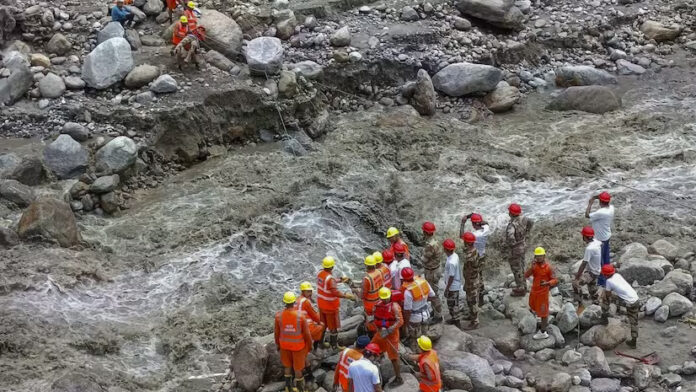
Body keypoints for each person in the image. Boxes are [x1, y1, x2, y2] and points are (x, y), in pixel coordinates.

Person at [275, 291, 313, 392]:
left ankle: (288, 388)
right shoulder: (300, 316)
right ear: (294, 302)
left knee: (287, 366)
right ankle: (300, 389)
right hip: (298, 347)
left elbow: (276, 333)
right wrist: (310, 345)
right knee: (298, 369)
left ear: (284, 302)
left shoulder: (278, 316)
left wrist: (278, 344)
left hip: (284, 346)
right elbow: (307, 334)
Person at [318, 256, 356, 350]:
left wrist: (340, 280)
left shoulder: (321, 275)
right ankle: (334, 346)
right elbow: (335, 292)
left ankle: (320, 343)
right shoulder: (330, 279)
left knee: (323, 325)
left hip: (321, 305)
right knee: (333, 328)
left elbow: (330, 284)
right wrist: (347, 296)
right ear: (332, 267)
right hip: (330, 307)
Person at [369, 288, 404, 387]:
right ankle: (375, 367)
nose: (385, 300)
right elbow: (377, 315)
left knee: (393, 357)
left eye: (386, 298)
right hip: (381, 331)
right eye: (383, 298)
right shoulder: (378, 304)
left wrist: (389, 330)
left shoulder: (395, 307)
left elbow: (400, 321)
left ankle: (398, 378)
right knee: (372, 348)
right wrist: (372, 318)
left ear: (390, 296)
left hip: (392, 334)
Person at [401, 267, 442, 348]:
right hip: (426, 314)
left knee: (415, 339)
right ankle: (427, 350)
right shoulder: (423, 282)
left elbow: (407, 311)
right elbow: (433, 296)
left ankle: (418, 355)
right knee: (425, 336)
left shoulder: (408, 292)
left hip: (415, 318)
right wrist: (424, 299)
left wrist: (406, 323)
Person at [600, 264, 639, 348]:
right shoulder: (617, 275)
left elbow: (608, 295)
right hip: (636, 299)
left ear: (605, 275)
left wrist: (604, 293)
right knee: (634, 320)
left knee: (605, 298)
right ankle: (634, 341)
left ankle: (604, 315)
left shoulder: (608, 281)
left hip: (628, 302)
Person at [524, 247, 558, 340]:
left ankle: (543, 332)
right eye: (537, 256)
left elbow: (555, 280)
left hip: (543, 294)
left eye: (540, 256)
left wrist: (547, 283)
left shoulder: (548, 267)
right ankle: (540, 323)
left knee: (543, 312)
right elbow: (526, 275)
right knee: (532, 305)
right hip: (534, 291)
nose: (538, 258)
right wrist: (531, 267)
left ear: (544, 256)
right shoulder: (534, 266)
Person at [585, 191, 615, 284]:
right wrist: (596, 197)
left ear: (600, 202)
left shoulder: (601, 212)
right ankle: (609, 275)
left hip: (600, 239)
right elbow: (604, 199)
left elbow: (587, 215)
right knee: (606, 259)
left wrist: (590, 203)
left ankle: (602, 281)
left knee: (600, 261)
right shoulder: (611, 208)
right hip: (606, 236)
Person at [506, 203, 534, 296]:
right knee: (521, 266)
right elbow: (531, 222)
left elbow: (510, 237)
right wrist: (527, 233)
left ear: (511, 213)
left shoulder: (512, 225)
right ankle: (524, 286)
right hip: (523, 245)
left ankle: (520, 289)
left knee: (516, 269)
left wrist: (513, 244)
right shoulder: (524, 219)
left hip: (516, 249)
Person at [463, 213, 490, 304]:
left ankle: (475, 296)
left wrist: (463, 223)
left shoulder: (475, 235)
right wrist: (472, 217)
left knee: (473, 277)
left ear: (474, 224)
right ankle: (481, 297)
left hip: (475, 257)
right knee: (480, 275)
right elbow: (486, 223)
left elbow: (462, 236)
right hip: (482, 256)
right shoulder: (486, 229)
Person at [573, 226, 602, 313]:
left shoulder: (589, 249)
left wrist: (577, 277)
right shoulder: (597, 242)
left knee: (575, 284)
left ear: (584, 237)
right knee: (592, 288)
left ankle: (580, 304)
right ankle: (596, 304)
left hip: (591, 273)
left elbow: (584, 263)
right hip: (597, 270)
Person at [295, 281, 326, 350]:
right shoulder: (306, 302)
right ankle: (316, 346)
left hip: (297, 326)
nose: (310, 293)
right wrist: (319, 322)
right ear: (303, 291)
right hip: (304, 328)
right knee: (322, 326)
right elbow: (314, 316)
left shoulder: (297, 299)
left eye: (310, 291)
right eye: (308, 292)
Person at [461, 232, 481, 330]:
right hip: (475, 278)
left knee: (472, 301)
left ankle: (475, 321)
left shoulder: (469, 256)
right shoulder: (475, 250)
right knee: (471, 300)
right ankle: (471, 316)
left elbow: (468, 272)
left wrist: (466, 283)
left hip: (471, 281)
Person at [442, 238, 462, 328]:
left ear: (446, 249)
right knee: (455, 303)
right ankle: (455, 319)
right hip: (455, 285)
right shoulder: (455, 256)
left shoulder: (451, 262)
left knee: (452, 304)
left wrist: (447, 288)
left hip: (452, 286)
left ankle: (456, 321)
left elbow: (451, 276)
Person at [421, 221, 442, 295]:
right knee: (434, 289)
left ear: (425, 232)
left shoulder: (430, 245)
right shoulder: (435, 240)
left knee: (433, 293)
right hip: (436, 269)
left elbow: (424, 259)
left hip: (431, 272)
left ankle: (437, 306)